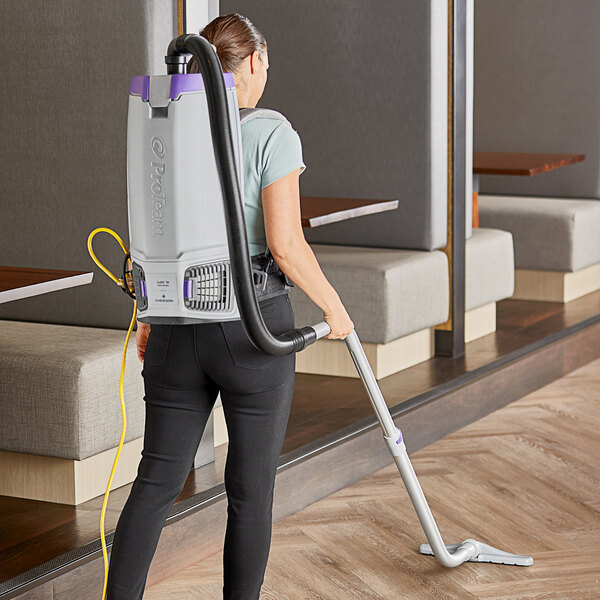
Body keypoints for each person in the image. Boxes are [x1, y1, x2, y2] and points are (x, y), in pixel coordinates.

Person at [106, 12, 354, 600]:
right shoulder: (273, 133)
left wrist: (149, 314)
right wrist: (335, 309)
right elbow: (286, 246)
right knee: (249, 492)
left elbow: (156, 229)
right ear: (253, 63)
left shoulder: (164, 131)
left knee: (154, 485)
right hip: (253, 332)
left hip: (173, 327)